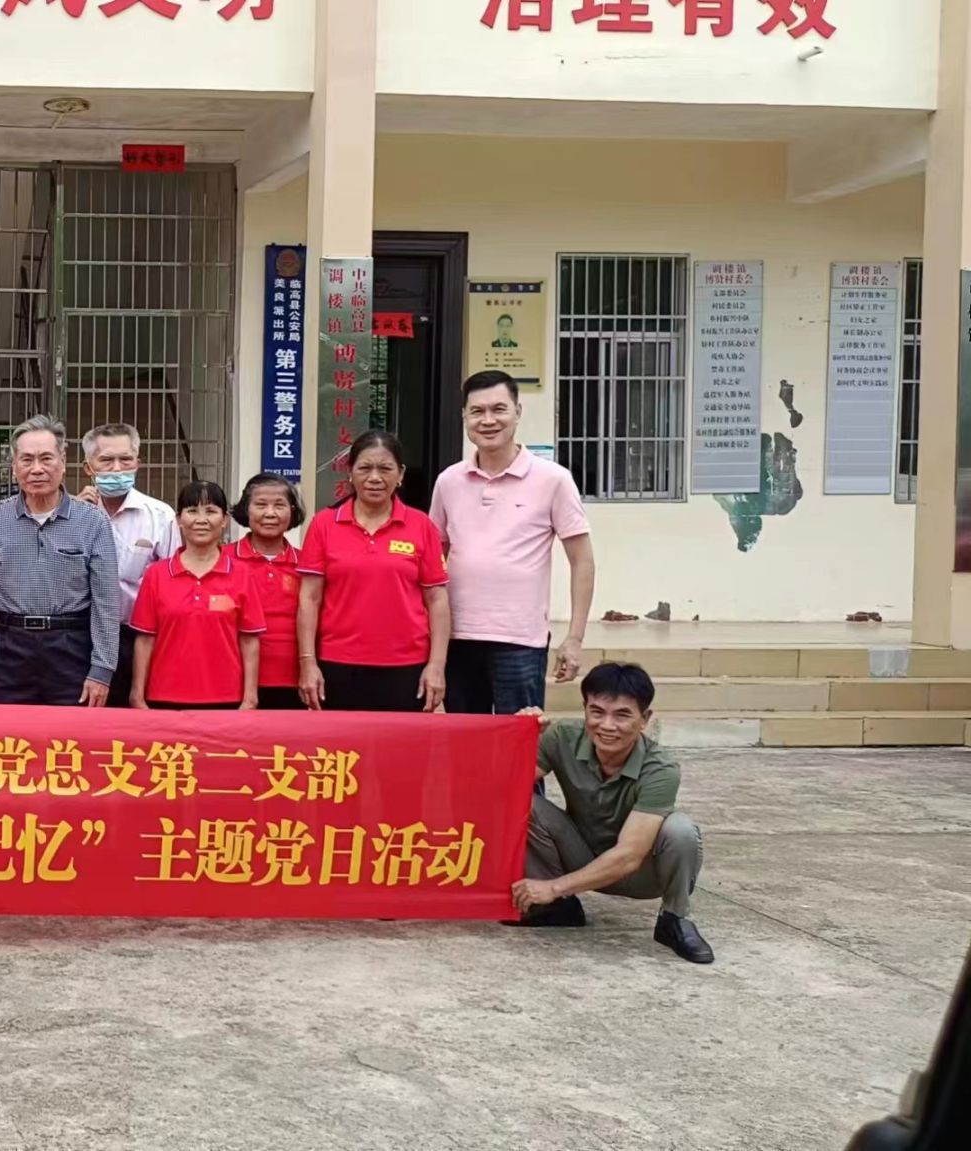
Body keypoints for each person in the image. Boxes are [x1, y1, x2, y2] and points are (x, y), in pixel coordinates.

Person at [511, 663, 713, 965]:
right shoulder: (563, 737)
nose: (607, 725)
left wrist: (553, 888)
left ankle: (674, 918)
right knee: (521, 802)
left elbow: (630, 855)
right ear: (585, 709)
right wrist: (518, 737)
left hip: (641, 873)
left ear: (644, 719)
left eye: (622, 715)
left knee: (680, 829)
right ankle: (556, 909)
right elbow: (503, 785)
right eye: (597, 712)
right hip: (580, 854)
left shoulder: (661, 768)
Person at [430, 370, 595, 716]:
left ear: (518, 412)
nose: (488, 420)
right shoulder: (449, 481)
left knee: (519, 739)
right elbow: (434, 558)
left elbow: (582, 561)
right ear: (464, 417)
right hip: (458, 638)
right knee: (465, 740)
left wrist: (574, 638)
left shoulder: (553, 479)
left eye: (499, 409)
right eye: (477, 411)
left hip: (520, 640)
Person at [0, 415, 120, 707]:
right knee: (7, 733)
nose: (36, 469)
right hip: (9, 650)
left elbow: (107, 603)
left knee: (70, 733)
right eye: (27, 460)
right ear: (14, 466)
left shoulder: (93, 522)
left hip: (71, 649)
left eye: (46, 458)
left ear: (63, 462)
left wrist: (102, 669)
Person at [297, 430, 451, 713]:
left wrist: (437, 665)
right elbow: (309, 598)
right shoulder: (324, 524)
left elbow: (437, 600)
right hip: (338, 664)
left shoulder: (421, 526)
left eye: (385, 468)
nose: (375, 477)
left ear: (400, 474)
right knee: (341, 742)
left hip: (407, 667)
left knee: (401, 742)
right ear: (350, 472)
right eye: (365, 468)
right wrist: (307, 662)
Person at [128, 481, 265, 711]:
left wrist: (250, 697)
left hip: (227, 699)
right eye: (192, 511)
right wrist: (137, 694)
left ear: (224, 519)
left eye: (210, 511)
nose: (201, 520)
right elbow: (145, 639)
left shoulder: (242, 574)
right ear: (179, 520)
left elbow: (249, 640)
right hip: (163, 697)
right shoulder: (156, 574)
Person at [77, 422, 179, 710]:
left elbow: (172, 582)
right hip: (82, 635)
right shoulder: (73, 514)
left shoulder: (160, 515)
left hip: (138, 637)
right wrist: (75, 515)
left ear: (138, 463)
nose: (117, 468)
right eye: (106, 460)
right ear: (88, 468)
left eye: (125, 459)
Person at [230, 473, 307, 709]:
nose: (270, 513)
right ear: (246, 509)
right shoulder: (224, 560)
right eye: (261, 505)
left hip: (292, 680)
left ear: (292, 511)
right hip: (233, 679)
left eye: (279, 505)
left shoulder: (307, 564)